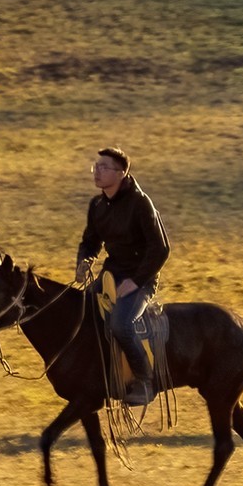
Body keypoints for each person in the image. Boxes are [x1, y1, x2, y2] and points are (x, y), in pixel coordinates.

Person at [75, 147, 171, 405]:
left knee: (121, 324)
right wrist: (84, 261)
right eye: (96, 166)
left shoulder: (140, 204)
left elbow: (161, 249)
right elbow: (90, 242)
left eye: (104, 167)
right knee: (80, 311)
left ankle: (144, 381)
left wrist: (137, 281)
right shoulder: (97, 205)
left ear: (122, 173)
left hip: (141, 279)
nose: (97, 171)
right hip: (111, 275)